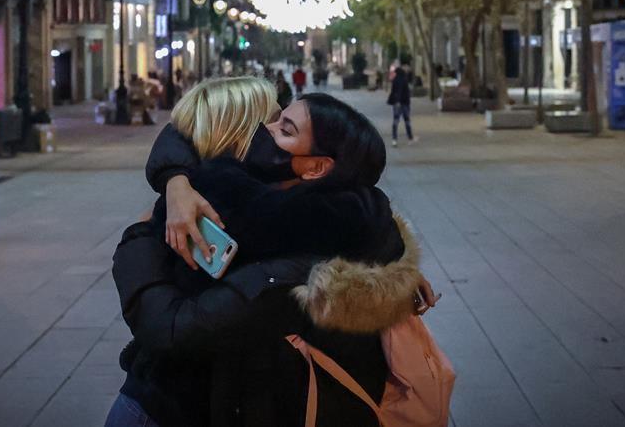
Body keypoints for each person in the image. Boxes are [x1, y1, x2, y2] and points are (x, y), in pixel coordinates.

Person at [111, 85, 432, 427]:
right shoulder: (258, 201)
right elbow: (188, 125)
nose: (265, 132)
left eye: (285, 129)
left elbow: (170, 329)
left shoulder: (295, 264)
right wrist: (175, 181)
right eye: (274, 121)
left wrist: (140, 233)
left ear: (316, 167)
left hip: (166, 410)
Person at [387, 62, 415, 147]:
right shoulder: (404, 79)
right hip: (404, 103)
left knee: (395, 121)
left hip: (397, 103)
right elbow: (402, 92)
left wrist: (395, 101)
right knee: (407, 121)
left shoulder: (395, 80)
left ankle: (394, 139)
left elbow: (394, 91)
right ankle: (410, 138)